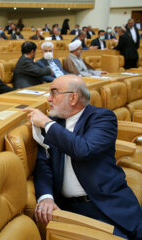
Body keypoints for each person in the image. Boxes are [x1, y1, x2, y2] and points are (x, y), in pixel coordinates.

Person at [23, 75, 142, 239]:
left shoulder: (102, 118)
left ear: (73, 98)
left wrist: (47, 124)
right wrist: (46, 197)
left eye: (54, 93)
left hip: (108, 200)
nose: (48, 99)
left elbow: (83, 150)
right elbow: (44, 166)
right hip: (72, 208)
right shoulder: (51, 125)